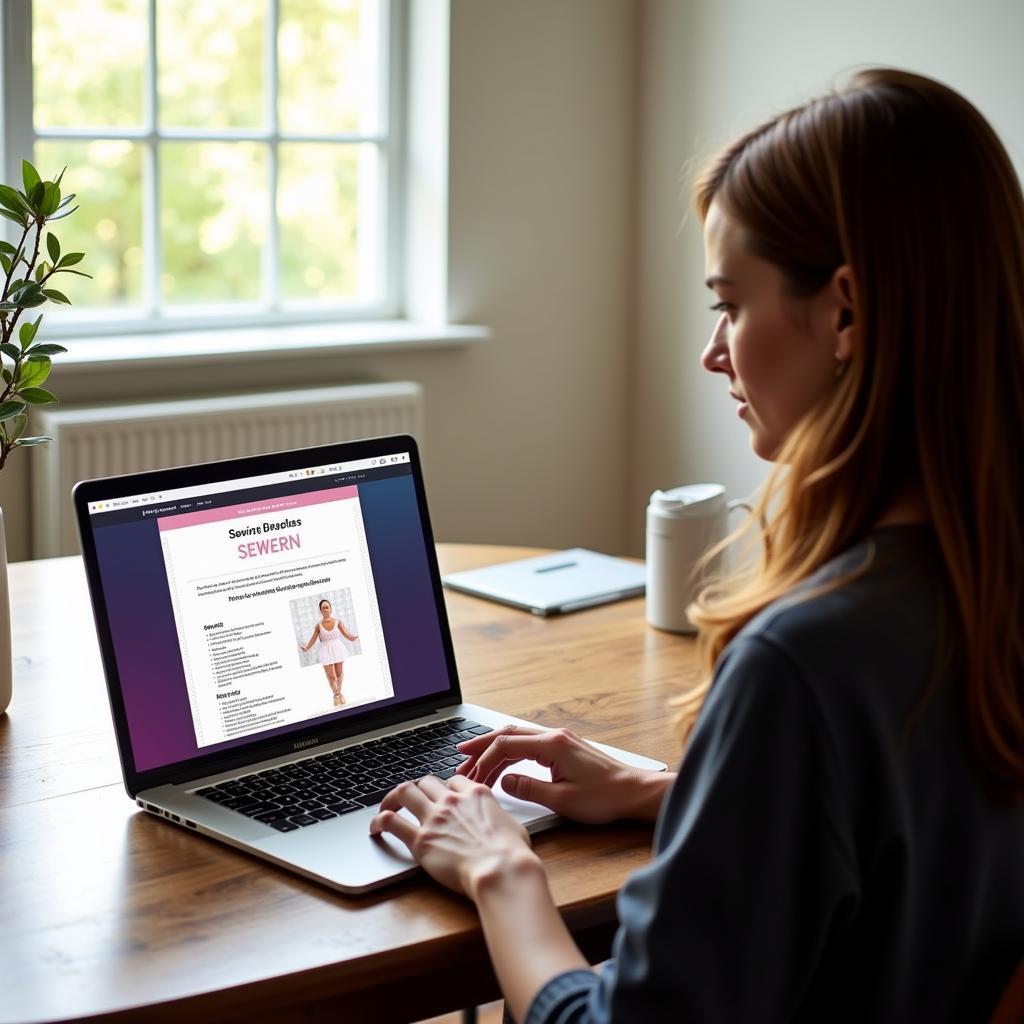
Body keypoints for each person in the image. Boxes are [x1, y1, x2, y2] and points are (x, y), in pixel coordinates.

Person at [369, 68, 1024, 1022]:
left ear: (845, 311)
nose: (714, 352)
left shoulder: (805, 661)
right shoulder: (980, 589)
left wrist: (500, 867)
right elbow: (921, 850)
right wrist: (668, 792)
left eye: (731, 302)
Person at [300, 598, 358, 707]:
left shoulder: (337, 621)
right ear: (320, 611)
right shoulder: (318, 625)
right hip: (325, 650)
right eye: (323, 608)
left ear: (330, 609)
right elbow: (313, 639)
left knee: (339, 673)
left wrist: (352, 638)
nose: (326, 609)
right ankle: (337, 695)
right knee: (331, 675)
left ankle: (338, 695)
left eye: (327, 607)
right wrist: (306, 648)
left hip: (338, 648)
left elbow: (346, 633)